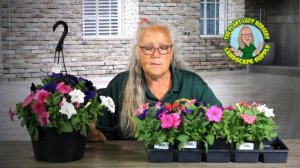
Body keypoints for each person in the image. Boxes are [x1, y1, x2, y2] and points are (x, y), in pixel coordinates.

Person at [87, 18, 222, 141]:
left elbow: (220, 122)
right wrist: (92, 133)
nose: (156, 55)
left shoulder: (193, 84)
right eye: (148, 48)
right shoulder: (119, 84)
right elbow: (103, 137)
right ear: (138, 53)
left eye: (163, 48)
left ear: (171, 52)